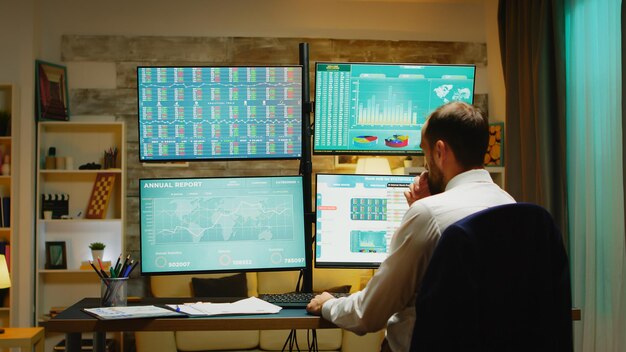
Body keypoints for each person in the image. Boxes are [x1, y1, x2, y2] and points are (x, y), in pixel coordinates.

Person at [306, 101, 515, 351]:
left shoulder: (428, 215)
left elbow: (368, 314)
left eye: (424, 153)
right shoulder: (511, 207)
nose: (426, 164)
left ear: (440, 151)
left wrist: (328, 303)